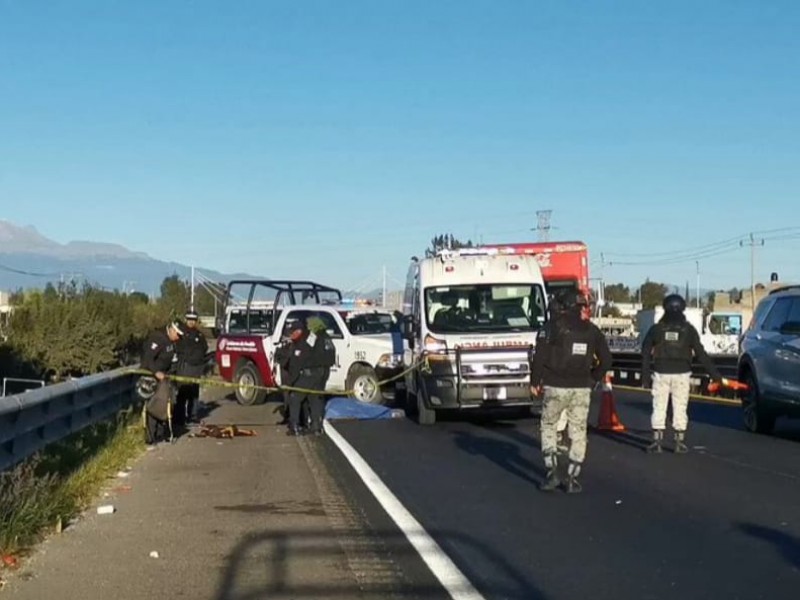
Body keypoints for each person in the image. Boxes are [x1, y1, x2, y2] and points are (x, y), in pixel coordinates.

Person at [531, 291, 612, 493]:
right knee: (578, 431)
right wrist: (592, 378)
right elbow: (607, 361)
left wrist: (535, 381)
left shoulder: (551, 328)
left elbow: (539, 357)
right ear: (582, 307)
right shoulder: (592, 331)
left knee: (548, 425)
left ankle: (552, 473)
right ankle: (572, 478)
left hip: (555, 386)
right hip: (581, 388)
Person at [641, 294, 723, 454]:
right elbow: (701, 354)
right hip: (682, 373)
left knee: (659, 405)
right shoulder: (688, 330)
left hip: (661, 372)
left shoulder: (657, 329)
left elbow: (645, 351)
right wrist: (715, 376)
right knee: (680, 406)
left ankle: (657, 440)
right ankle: (679, 441)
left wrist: (645, 376)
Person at [140, 321, 183, 444]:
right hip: (151, 377)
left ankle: (160, 434)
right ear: (171, 330)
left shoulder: (172, 342)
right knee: (154, 406)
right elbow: (148, 358)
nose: (178, 337)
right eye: (177, 334)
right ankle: (150, 437)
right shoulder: (157, 338)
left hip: (164, 377)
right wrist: (156, 372)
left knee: (165, 404)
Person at [175, 309, 208, 429]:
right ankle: (179, 418)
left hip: (196, 368)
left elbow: (204, 349)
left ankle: (192, 416)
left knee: (194, 394)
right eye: (189, 320)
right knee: (183, 394)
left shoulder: (199, 335)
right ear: (186, 320)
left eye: (194, 320)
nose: (191, 322)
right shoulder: (181, 334)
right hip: (185, 367)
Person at [305, 316, 336, 435]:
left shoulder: (314, 336)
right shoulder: (327, 337)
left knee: (313, 397)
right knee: (319, 396)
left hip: (315, 369)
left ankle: (315, 425)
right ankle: (319, 421)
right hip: (326, 370)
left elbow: (307, 350)